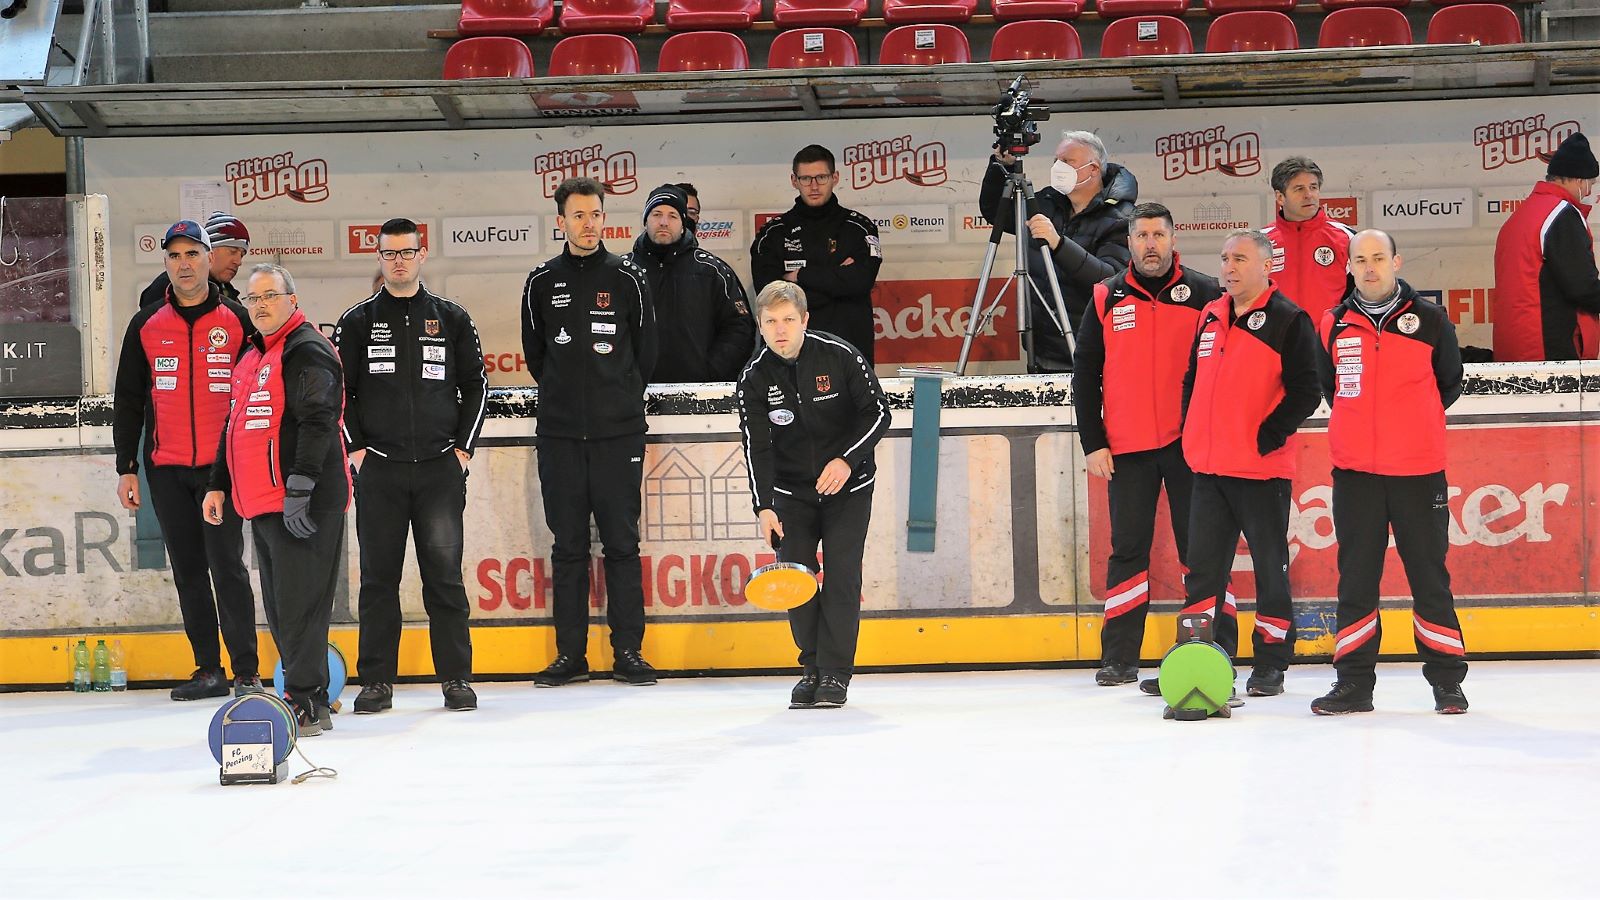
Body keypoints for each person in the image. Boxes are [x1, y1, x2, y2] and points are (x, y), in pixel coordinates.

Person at [1152, 230, 1320, 701]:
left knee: (1270, 571)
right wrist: (1189, 430)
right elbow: (1191, 379)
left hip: (1261, 473)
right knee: (1202, 574)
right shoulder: (1211, 314)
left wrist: (1268, 435)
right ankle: (1196, 659)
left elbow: (1309, 389)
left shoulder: (1289, 319)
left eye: (1240, 258)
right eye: (1225, 259)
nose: (1229, 267)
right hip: (1207, 469)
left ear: (1267, 266)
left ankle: (1270, 665)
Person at [333, 218, 488, 714]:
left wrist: (462, 449)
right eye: (389, 253)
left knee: (444, 578)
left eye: (407, 251)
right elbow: (341, 393)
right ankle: (376, 681)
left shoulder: (452, 317)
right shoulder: (356, 321)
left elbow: (476, 385)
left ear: (422, 255)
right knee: (378, 580)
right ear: (379, 258)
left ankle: (457, 679)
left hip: (440, 469)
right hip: (379, 470)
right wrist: (357, 449)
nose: (398, 260)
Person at [1312, 230, 1468, 715]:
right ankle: (1354, 685)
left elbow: (1449, 383)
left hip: (1419, 473)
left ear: (1396, 261)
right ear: (1350, 267)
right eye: (1361, 260)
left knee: (1429, 577)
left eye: (1379, 258)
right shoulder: (1332, 323)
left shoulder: (1431, 319)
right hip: (1356, 474)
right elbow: (1330, 388)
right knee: (1356, 579)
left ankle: (1447, 683)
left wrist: (1410, 426)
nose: (1370, 267)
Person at [1073, 203, 1222, 686]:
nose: (1151, 244)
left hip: (1191, 445)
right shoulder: (1104, 296)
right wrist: (1092, 442)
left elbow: (1226, 367)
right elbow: (1085, 375)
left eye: (1159, 234)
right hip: (1126, 447)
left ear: (1173, 239)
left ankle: (1206, 650)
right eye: (1142, 236)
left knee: (1200, 552)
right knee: (1128, 551)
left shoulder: (1204, 293)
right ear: (1131, 242)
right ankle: (1118, 659)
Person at [519, 176, 660, 687]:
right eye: (577, 215)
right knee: (569, 546)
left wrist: (614, 399)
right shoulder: (540, 281)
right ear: (561, 222)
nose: (587, 223)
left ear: (605, 218)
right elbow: (537, 358)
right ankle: (570, 655)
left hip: (617, 434)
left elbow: (646, 352)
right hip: (558, 435)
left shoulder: (629, 276)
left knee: (622, 543)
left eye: (595, 214)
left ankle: (629, 653)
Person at [112, 220, 260, 701]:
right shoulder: (147, 324)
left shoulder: (238, 319)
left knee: (228, 566)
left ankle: (246, 671)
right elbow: (130, 399)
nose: (184, 264)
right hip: (168, 469)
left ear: (206, 258)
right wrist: (126, 467)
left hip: (223, 470)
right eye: (174, 256)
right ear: (166, 264)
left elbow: (257, 394)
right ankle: (208, 669)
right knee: (188, 569)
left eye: (192, 254)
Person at [203, 264, 349, 735]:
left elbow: (318, 421)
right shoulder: (252, 353)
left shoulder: (306, 349)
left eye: (270, 296)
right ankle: (308, 697)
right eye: (253, 298)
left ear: (292, 298)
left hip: (301, 502)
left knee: (301, 606)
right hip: (263, 501)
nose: (261, 305)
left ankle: (306, 700)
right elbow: (234, 427)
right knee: (285, 607)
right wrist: (218, 483)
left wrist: (301, 487)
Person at [736, 280, 891, 708]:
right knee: (796, 581)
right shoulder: (753, 376)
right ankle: (812, 668)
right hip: (790, 496)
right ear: (760, 326)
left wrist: (846, 460)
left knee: (842, 577)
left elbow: (879, 413)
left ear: (805, 320)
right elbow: (756, 445)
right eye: (771, 321)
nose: (780, 329)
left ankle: (836, 675)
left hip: (848, 487)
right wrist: (763, 507)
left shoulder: (840, 355)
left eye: (788, 319)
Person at [979, 130, 1137, 372]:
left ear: (1093, 169)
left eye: (1067, 162)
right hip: (1042, 350)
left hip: (1093, 351)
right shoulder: (1046, 202)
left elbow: (1110, 280)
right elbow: (997, 212)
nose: (1058, 167)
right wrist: (1002, 166)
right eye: (1056, 161)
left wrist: (1059, 244)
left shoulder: (1120, 218)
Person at [750, 145, 883, 365]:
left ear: (835, 177)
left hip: (849, 350)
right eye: (806, 179)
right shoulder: (772, 234)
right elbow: (772, 298)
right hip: (790, 356)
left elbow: (860, 282)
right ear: (794, 180)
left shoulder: (860, 228)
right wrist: (837, 280)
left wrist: (798, 277)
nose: (814, 186)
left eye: (821, 177)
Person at [627, 184, 756, 383]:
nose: (663, 222)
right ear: (645, 220)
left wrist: (710, 371)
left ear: (683, 223)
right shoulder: (624, 271)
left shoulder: (712, 271)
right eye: (656, 214)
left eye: (672, 216)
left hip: (701, 394)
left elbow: (740, 327)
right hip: (635, 394)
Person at [1492, 131, 1600, 362]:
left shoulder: (1523, 214)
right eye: (1590, 183)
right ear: (1578, 179)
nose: (1590, 192)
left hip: (1518, 346)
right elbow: (1582, 286)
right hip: (1549, 349)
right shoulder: (1562, 214)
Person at [1261, 156, 1356, 322]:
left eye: (1313, 187)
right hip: (1274, 341)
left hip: (1328, 341)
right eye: (1299, 189)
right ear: (1280, 197)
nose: (1309, 195)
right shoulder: (1258, 242)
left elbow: (1363, 294)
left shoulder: (1347, 238)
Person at [140, 212, 251, 307]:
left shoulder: (229, 296)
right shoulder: (162, 290)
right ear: (210, 252)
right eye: (232, 251)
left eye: (242, 255)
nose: (238, 261)